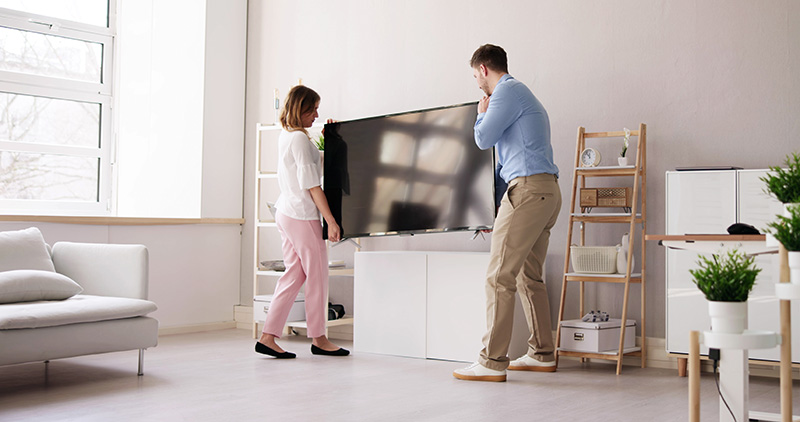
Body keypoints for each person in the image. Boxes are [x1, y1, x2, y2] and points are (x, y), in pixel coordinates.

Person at [454, 44, 561, 382]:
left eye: (475, 76)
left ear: (484, 69)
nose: (477, 85)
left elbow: (483, 139)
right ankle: (542, 354)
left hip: (527, 192)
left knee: (498, 276)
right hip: (544, 191)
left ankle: (491, 361)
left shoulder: (505, 92)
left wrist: (481, 112)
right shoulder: (521, 93)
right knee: (529, 276)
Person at [255, 85, 349, 358]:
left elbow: (312, 164)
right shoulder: (298, 139)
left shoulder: (289, 136)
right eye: (313, 109)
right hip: (302, 215)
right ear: (301, 109)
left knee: (294, 275)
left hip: (286, 211)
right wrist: (330, 221)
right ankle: (319, 339)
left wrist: (330, 139)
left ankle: (268, 336)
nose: (316, 114)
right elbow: (312, 185)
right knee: (318, 276)